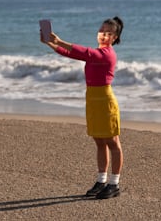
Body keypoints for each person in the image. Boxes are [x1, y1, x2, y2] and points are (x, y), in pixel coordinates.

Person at [40, 16, 124, 199]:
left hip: (105, 101)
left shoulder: (107, 54)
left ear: (115, 38)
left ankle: (114, 184)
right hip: (93, 100)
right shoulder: (95, 53)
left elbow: (84, 51)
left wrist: (59, 40)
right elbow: (70, 53)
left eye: (108, 32)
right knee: (99, 141)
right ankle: (101, 181)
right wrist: (50, 43)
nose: (103, 35)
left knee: (113, 143)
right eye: (101, 31)